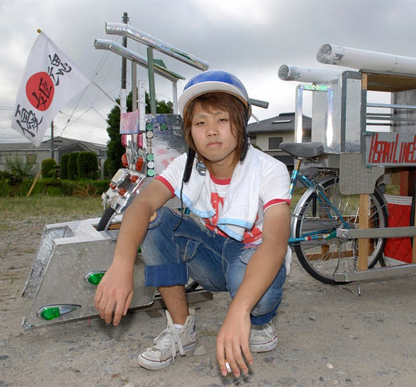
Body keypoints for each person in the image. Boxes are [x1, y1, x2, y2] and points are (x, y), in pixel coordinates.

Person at [94, 70, 292, 378]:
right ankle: (180, 328)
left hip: (255, 258)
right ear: (190, 131)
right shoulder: (185, 167)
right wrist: (122, 262)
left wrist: (237, 312)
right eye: (200, 122)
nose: (211, 131)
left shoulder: (269, 170)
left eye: (222, 119)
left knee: (257, 294)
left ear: (241, 125)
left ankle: (259, 321)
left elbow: (276, 243)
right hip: (214, 257)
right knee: (155, 221)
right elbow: (142, 204)